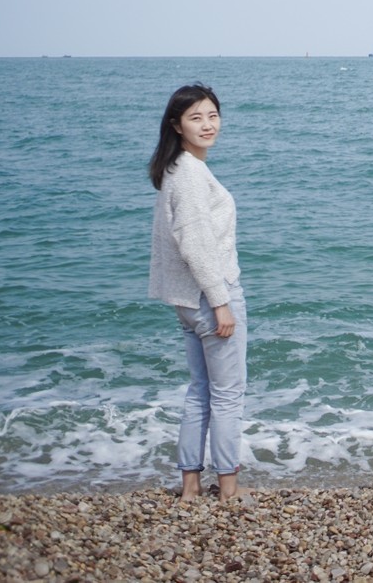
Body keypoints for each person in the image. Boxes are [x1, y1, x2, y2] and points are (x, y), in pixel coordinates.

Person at [148, 83, 248, 503]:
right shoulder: (189, 173)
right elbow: (195, 244)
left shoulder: (175, 169)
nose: (208, 125)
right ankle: (228, 489)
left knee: (201, 391)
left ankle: (190, 485)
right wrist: (222, 302)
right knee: (227, 395)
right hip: (210, 297)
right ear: (177, 125)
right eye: (196, 118)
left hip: (188, 301)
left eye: (212, 115)